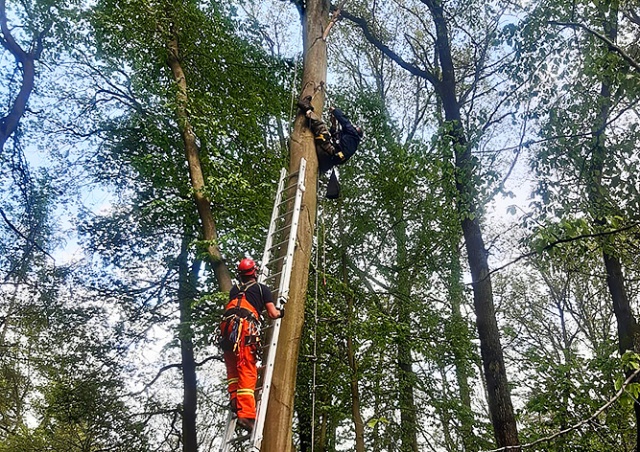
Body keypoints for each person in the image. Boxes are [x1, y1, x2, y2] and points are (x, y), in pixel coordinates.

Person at [219, 258, 283, 433]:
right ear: (254, 272)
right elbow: (272, 313)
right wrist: (281, 312)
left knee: (233, 366)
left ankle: (234, 400)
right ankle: (246, 415)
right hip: (244, 328)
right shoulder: (262, 289)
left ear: (240, 275)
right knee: (247, 367)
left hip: (226, 327)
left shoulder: (234, 289)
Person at [298, 96, 363, 174]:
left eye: (355, 127)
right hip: (326, 162)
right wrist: (333, 125)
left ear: (356, 131)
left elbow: (345, 121)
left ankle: (306, 107)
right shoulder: (350, 145)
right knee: (323, 135)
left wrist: (335, 111)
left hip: (328, 152)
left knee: (320, 125)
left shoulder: (354, 134)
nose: (353, 127)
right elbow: (335, 138)